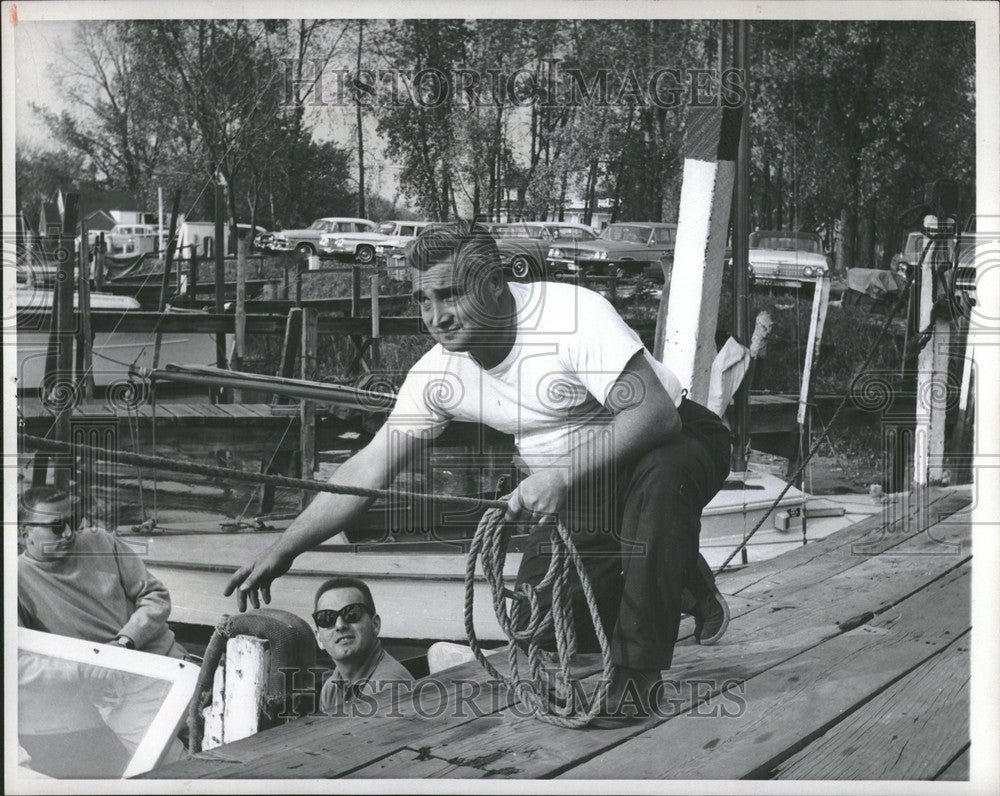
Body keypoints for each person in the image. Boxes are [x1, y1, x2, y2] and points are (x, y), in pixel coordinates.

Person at [226, 221, 731, 719]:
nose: (436, 317)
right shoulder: (439, 373)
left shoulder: (570, 315)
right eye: (423, 300)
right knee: (544, 621)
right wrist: (284, 547)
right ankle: (684, 577)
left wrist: (557, 477)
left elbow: (653, 414)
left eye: (449, 295)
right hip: (585, 486)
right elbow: (369, 467)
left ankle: (637, 677)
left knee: (659, 480)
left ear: (495, 284)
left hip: (675, 442)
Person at [17, 485, 187, 769]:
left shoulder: (102, 542)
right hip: (120, 691)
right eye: (57, 527)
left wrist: (124, 643)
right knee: (182, 768)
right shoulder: (15, 581)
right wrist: (83, 669)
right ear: (25, 534)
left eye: (74, 520)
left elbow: (155, 595)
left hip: (174, 663)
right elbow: (16, 663)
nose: (70, 533)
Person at [312, 576, 413, 715]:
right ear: (319, 638)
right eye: (326, 618)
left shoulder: (388, 687)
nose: (340, 625)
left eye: (352, 614)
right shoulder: (331, 688)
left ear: (375, 624)